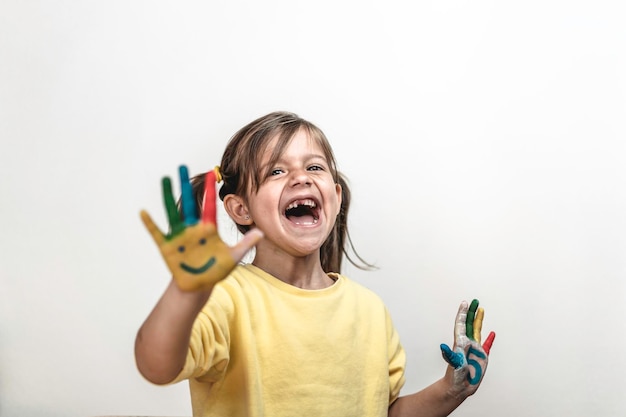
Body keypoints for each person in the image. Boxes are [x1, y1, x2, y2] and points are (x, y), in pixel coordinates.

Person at [134, 111, 496, 417]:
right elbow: (156, 365)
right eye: (276, 171)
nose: (301, 177)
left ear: (335, 197)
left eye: (314, 166)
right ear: (240, 208)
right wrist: (185, 292)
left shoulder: (369, 310)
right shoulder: (226, 297)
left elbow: (384, 411)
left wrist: (452, 389)